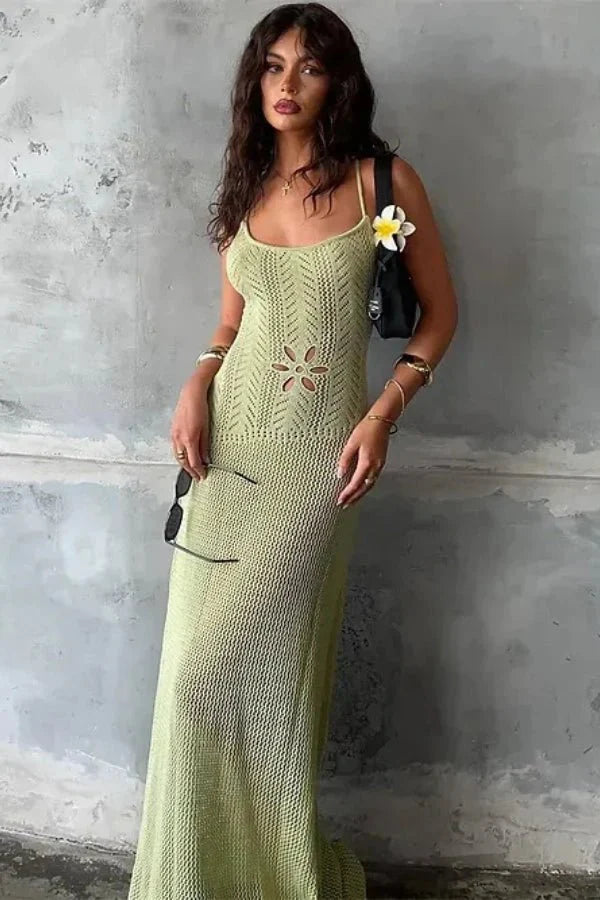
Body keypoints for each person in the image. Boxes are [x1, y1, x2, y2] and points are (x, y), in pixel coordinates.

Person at [127, 3, 458, 898]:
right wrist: (196, 381)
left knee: (230, 677)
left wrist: (384, 413)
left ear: (337, 81)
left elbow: (440, 315)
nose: (286, 84)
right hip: (223, 452)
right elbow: (231, 321)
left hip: (318, 461)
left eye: (308, 67)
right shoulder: (243, 181)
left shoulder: (382, 182)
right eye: (272, 66)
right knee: (189, 679)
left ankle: (274, 874)